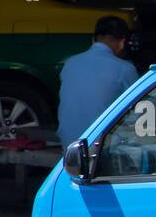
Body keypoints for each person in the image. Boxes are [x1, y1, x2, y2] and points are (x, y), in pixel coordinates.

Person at [56, 15, 138, 149]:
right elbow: (138, 111)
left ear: (93, 40)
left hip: (69, 145)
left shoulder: (70, 63)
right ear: (123, 42)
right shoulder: (124, 68)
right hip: (101, 149)